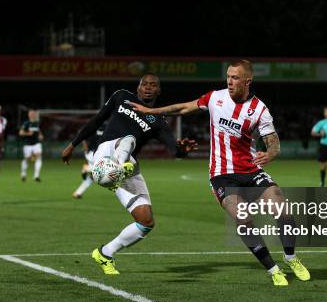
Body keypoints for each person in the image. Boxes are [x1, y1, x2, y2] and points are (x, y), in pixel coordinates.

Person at [129, 60, 310, 287]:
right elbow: (184, 107)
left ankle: (291, 257)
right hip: (222, 175)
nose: (229, 81)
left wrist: (271, 154)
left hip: (251, 171)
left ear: (247, 81)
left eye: (235, 77)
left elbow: (273, 143)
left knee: (282, 209)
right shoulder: (216, 97)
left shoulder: (260, 110)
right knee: (243, 218)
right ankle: (273, 269)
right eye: (228, 76)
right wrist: (150, 111)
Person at [61, 74, 196, 275]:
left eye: (153, 85)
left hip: (126, 166)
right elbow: (97, 120)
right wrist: (73, 144)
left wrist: (182, 150)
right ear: (138, 87)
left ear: (158, 91)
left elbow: (174, 151)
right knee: (129, 138)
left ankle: (105, 253)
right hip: (106, 153)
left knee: (146, 221)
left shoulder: (158, 120)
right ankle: (120, 167)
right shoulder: (121, 96)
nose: (148, 87)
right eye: (145, 84)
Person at [72, 125, 104, 199]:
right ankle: (87, 168)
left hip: (91, 153)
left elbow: (82, 134)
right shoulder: (109, 127)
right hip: (97, 154)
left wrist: (86, 149)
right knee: (104, 171)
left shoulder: (94, 126)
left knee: (93, 177)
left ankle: (78, 193)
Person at [19, 109, 44, 182]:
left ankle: (36, 175)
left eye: (33, 113)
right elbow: (20, 132)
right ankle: (23, 174)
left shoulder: (37, 123)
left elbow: (38, 131)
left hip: (36, 144)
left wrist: (41, 135)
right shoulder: (26, 123)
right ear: (29, 115)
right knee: (27, 159)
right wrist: (28, 133)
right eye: (31, 114)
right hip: (27, 144)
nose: (32, 115)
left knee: (39, 158)